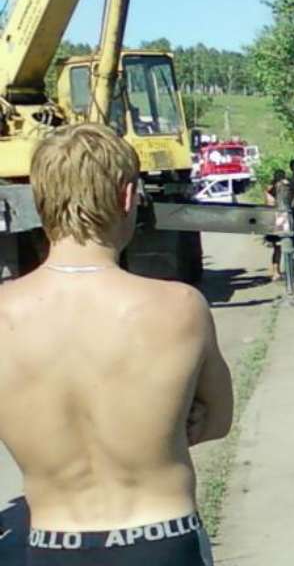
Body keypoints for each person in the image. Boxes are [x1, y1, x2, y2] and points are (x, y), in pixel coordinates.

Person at [0, 123, 233, 565]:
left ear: (38, 200)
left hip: (51, 542)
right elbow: (218, 421)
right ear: (127, 197)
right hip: (162, 538)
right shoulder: (180, 306)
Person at [264, 169, 290, 281]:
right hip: (275, 217)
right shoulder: (272, 188)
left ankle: (279, 271)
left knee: (283, 245)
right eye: (279, 176)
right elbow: (270, 200)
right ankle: (275, 271)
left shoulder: (283, 187)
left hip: (282, 216)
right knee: (278, 246)